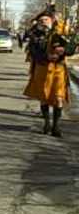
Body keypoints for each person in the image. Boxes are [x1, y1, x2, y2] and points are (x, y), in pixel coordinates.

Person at [24, 8, 77, 137]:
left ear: (52, 20)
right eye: (41, 20)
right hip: (42, 68)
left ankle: (56, 126)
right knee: (44, 97)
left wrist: (63, 50)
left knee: (59, 97)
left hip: (58, 68)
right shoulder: (35, 34)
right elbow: (33, 52)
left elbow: (71, 48)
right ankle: (47, 123)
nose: (43, 22)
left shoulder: (60, 32)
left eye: (46, 20)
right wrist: (46, 57)